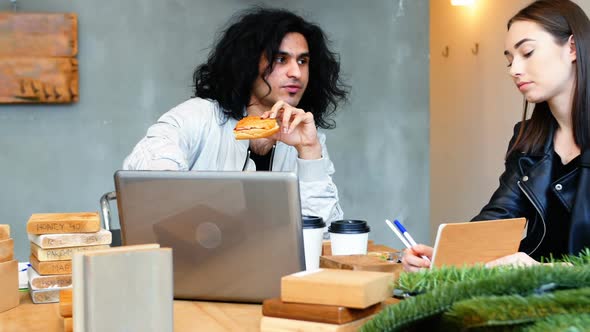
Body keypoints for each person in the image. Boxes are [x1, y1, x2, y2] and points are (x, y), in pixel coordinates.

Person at [403, 0, 590, 272]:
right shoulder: (527, 139)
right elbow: (499, 216)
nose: (515, 69)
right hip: (527, 297)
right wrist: (444, 259)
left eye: (527, 52)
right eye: (509, 60)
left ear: (572, 48)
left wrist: (545, 270)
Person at [122, 7, 348, 223]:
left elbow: (324, 235)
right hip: (196, 258)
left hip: (275, 262)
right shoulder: (199, 116)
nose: (296, 73)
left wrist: (309, 152)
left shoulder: (305, 137)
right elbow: (147, 179)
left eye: (303, 61)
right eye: (281, 59)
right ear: (247, 64)